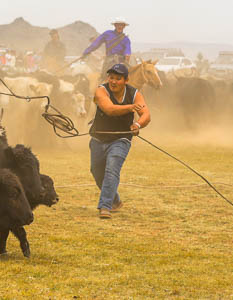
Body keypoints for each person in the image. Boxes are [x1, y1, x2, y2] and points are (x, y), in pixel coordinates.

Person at [89, 64, 150, 219]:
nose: (113, 81)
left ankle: (105, 207)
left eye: (118, 78)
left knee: (112, 169)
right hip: (98, 138)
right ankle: (115, 200)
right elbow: (109, 109)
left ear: (126, 80)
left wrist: (137, 124)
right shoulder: (101, 90)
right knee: (97, 172)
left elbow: (146, 115)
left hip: (121, 139)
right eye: (111, 78)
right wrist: (131, 108)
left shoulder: (134, 93)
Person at [82, 17, 132, 81]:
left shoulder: (126, 39)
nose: (120, 26)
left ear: (124, 26)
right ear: (115, 25)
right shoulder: (107, 34)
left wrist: (126, 59)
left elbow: (128, 51)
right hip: (109, 60)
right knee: (104, 77)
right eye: (118, 25)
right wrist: (86, 52)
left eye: (122, 25)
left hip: (121, 61)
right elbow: (96, 44)